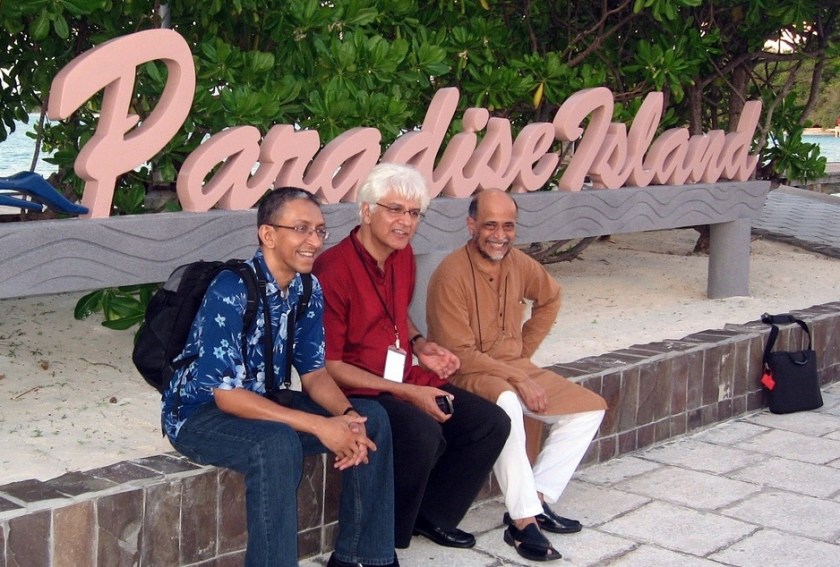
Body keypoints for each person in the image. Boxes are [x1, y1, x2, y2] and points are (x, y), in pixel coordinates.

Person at [161, 187, 398, 567]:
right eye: (301, 229)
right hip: (200, 415)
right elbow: (227, 396)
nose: (314, 241)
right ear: (268, 235)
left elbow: (315, 373)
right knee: (277, 444)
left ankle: (362, 557)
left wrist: (347, 416)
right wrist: (320, 426)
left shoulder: (307, 288)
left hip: (263, 402)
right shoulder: (231, 288)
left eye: (319, 231)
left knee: (373, 419)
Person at [313, 163, 511, 550]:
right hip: (356, 389)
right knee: (422, 433)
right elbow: (329, 367)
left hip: (402, 376)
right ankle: (383, 540)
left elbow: (396, 312)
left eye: (414, 213)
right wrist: (408, 392)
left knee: (488, 423)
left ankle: (432, 516)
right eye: (395, 210)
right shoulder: (332, 270)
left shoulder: (401, 256)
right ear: (366, 211)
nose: (406, 222)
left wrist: (420, 344)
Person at [425, 188, 608, 562]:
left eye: (508, 226)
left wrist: (523, 353)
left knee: (589, 409)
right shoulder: (450, 273)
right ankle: (523, 522)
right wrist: (519, 376)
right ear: (471, 225)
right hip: (469, 373)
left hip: (513, 366)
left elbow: (550, 297)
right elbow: (458, 354)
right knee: (507, 401)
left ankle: (536, 498)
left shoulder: (520, 263)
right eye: (490, 225)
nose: (500, 235)